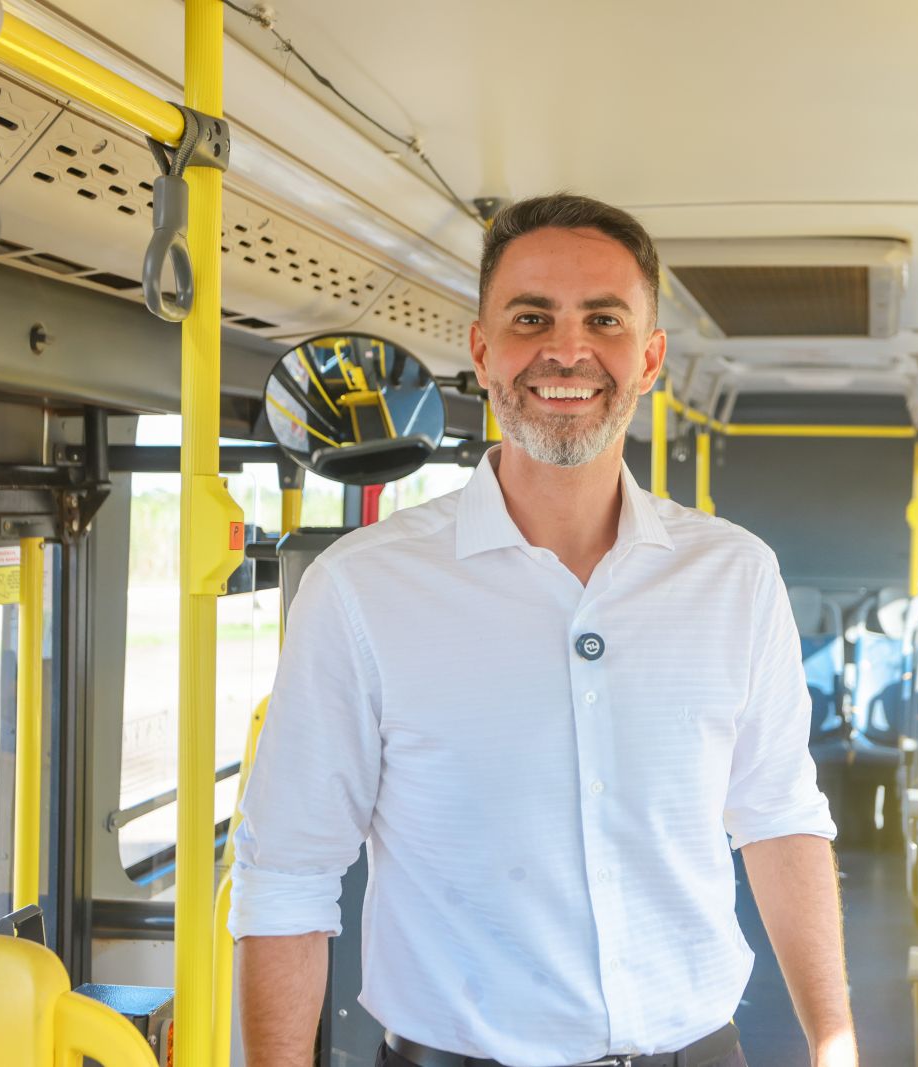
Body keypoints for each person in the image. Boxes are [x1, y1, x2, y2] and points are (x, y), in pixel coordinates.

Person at [229, 193, 857, 1067]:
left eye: (604, 319)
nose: (567, 350)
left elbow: (780, 816)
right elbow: (287, 875)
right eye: (531, 318)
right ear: (483, 350)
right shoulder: (361, 589)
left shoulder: (735, 576)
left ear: (649, 358)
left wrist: (834, 1040)